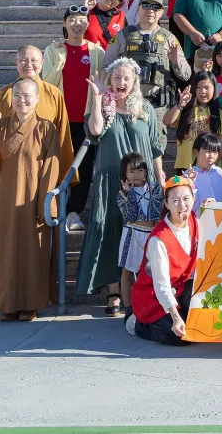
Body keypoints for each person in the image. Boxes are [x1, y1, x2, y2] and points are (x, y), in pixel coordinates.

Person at [78, 58, 165, 318]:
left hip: (142, 183)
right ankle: (114, 291)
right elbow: (94, 131)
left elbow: (154, 147)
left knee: (142, 232)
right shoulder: (104, 107)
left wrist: (160, 178)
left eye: (126, 78)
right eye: (116, 78)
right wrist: (96, 98)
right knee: (110, 231)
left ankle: (141, 289)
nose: (121, 82)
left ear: (135, 81)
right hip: (111, 182)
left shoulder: (146, 110)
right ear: (109, 81)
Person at [0, 78, 62, 321]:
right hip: (4, 199)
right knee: (5, 251)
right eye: (17, 96)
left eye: (27, 96)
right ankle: (7, 303)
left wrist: (46, 203)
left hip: (33, 198)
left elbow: (51, 166)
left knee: (32, 252)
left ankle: (30, 304)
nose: (22, 100)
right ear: (11, 99)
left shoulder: (47, 128)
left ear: (37, 99)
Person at [42, 7, 105, 231]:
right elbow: (46, 83)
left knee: (84, 168)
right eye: (72, 20)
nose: (77, 24)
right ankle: (52, 209)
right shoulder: (53, 50)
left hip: (86, 119)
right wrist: (61, 57)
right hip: (59, 119)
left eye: (81, 20)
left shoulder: (97, 52)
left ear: (88, 24)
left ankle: (73, 212)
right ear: (65, 23)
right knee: (57, 165)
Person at [105, 0, 192, 153]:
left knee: (155, 150)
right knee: (128, 150)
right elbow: (106, 67)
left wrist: (175, 60)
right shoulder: (123, 35)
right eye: (146, 5)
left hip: (158, 106)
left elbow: (186, 74)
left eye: (156, 7)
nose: (150, 10)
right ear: (138, 8)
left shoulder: (169, 38)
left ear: (161, 12)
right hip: (128, 103)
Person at [126, 174, 198, 346]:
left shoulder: (196, 221)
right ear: (166, 204)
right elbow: (161, 285)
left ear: (193, 199)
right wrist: (175, 317)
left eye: (186, 198)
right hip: (153, 297)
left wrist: (212, 208)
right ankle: (137, 323)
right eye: (176, 201)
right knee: (181, 337)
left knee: (201, 326)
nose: (182, 205)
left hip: (180, 288)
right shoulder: (159, 239)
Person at [0, 45, 74, 180]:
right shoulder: (3, 94)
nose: (29, 65)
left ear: (42, 63)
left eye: (34, 60)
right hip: (12, 167)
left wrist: (64, 171)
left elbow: (63, 133)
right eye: (23, 60)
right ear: (16, 63)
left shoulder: (54, 93)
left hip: (44, 163)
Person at [115, 153, 162, 316]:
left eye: (140, 170)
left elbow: (155, 212)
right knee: (127, 272)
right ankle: (128, 308)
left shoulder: (155, 189)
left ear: (146, 172)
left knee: (150, 271)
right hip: (132, 233)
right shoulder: (122, 196)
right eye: (131, 171)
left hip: (150, 233)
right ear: (124, 175)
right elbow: (130, 216)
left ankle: (148, 305)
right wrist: (130, 195)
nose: (136, 174)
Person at [163, 72, 222, 172]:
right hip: (185, 165)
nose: (203, 91)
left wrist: (212, 166)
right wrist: (180, 104)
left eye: (207, 87)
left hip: (208, 167)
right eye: (198, 87)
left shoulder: (218, 114)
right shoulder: (185, 109)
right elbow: (166, 121)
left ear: (214, 89)